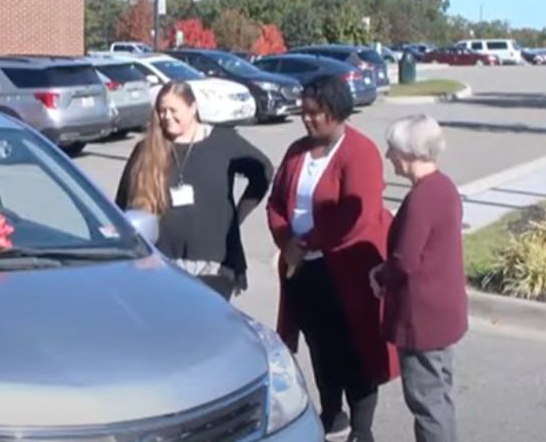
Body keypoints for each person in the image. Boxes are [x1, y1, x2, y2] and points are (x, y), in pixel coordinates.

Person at [266, 75, 398, 441]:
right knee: (319, 346)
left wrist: (306, 242)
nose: (307, 119)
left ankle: (361, 427)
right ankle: (331, 412)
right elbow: (276, 202)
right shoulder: (297, 152)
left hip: (345, 270)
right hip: (303, 269)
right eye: (303, 112)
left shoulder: (360, 152)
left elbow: (358, 215)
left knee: (353, 349)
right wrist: (286, 238)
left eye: (316, 113)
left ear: (337, 111)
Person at [115, 81, 273, 300]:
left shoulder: (222, 142)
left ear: (193, 108)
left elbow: (263, 171)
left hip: (214, 264)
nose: (167, 117)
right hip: (162, 265)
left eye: (173, 110)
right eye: (162, 111)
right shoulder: (146, 150)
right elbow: (123, 204)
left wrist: (238, 216)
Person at [369, 114, 467, 442]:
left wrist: (380, 275)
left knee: (427, 402)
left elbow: (405, 260)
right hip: (443, 311)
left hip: (421, 316)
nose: (388, 157)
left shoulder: (423, 198)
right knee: (440, 396)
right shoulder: (445, 187)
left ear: (410, 153)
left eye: (392, 150)